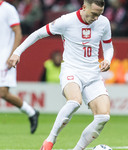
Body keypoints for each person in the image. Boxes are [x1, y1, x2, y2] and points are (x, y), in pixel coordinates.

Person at [9, 0, 114, 149]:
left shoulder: (103, 22)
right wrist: (17, 52)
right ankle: (50, 140)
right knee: (75, 101)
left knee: (103, 117)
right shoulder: (66, 21)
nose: (96, 18)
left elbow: (108, 46)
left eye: (99, 14)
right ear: (84, 7)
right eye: (93, 14)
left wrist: (108, 59)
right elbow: (38, 34)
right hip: (72, 70)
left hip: (93, 75)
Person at [0, 0, 39, 134]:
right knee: (3, 93)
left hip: (4, 57)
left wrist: (13, 54)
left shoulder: (8, 9)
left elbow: (18, 32)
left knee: (2, 92)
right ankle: (32, 112)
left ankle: (31, 112)